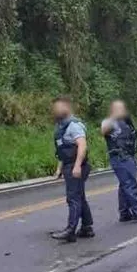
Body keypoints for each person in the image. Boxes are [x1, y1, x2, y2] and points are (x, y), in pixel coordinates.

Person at [101, 100, 137, 223]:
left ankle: (124, 212)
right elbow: (103, 130)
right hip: (120, 157)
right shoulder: (109, 122)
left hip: (129, 157)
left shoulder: (126, 122)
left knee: (124, 185)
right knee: (130, 185)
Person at [51, 97, 94, 242]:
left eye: (58, 107)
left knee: (73, 198)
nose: (55, 110)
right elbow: (63, 150)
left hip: (77, 166)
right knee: (79, 197)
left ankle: (70, 230)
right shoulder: (61, 126)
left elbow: (82, 145)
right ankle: (87, 227)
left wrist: (77, 166)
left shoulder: (73, 125)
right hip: (69, 165)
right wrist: (59, 169)